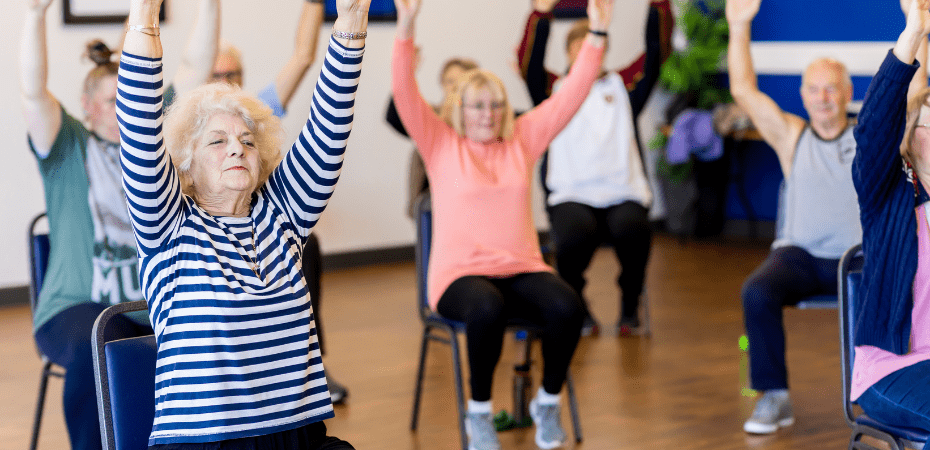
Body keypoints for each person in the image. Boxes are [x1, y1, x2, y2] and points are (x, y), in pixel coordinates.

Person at [117, 0, 368, 446]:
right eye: (217, 140)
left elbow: (329, 127)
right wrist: (144, 17)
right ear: (186, 167)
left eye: (247, 141)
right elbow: (138, 125)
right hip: (206, 441)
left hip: (299, 436)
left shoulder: (282, 219)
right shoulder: (169, 230)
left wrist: (350, 21)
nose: (236, 148)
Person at [391, 0, 613, 448]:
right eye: (477, 106)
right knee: (486, 307)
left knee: (569, 307)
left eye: (496, 105)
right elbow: (403, 92)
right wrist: (406, 24)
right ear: (460, 109)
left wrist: (597, 37)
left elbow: (571, 93)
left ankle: (547, 401)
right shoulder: (440, 144)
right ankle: (479, 415)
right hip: (459, 277)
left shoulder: (523, 140)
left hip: (520, 268)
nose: (488, 114)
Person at [19, 0, 218, 448]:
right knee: (101, 337)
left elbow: (195, 65)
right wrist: (33, 16)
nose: (125, 107)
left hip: (150, 305)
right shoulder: (66, 143)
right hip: (76, 309)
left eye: (131, 96)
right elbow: (33, 93)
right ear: (88, 106)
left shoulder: (154, 140)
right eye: (113, 100)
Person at [726, 0, 864, 435]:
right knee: (757, 291)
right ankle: (773, 396)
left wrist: (919, 26)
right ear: (803, 95)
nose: (823, 98)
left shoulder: (869, 137)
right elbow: (743, 91)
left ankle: (886, 395)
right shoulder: (792, 135)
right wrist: (738, 25)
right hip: (799, 258)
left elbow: (916, 94)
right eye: (814, 89)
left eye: (831, 88)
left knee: (906, 286)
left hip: (858, 260)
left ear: (847, 92)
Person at [206, 0, 351, 403]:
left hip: (260, 237)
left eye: (231, 73)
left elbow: (304, 57)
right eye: (215, 74)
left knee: (309, 246)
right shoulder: (188, 123)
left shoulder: (253, 113)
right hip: (207, 249)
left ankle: (311, 365)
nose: (224, 80)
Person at [517, 0, 672, 336]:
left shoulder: (624, 87)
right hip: (572, 193)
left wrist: (659, 5)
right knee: (572, 238)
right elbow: (528, 64)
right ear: (569, 53)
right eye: (579, 48)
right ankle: (577, 305)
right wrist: (540, 15)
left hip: (622, 191)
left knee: (634, 231)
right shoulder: (552, 91)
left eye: (594, 45)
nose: (588, 53)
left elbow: (656, 53)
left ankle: (630, 305)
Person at [851, 0, 930, 444]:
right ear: (911, 137)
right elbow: (874, 127)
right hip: (892, 369)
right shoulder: (890, 197)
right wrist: (914, 32)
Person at [385, 56, 478, 218]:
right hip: (431, 208)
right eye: (449, 81)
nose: (455, 86)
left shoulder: (485, 122)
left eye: (461, 81)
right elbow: (394, 116)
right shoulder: (430, 117)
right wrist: (406, 73)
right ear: (442, 84)